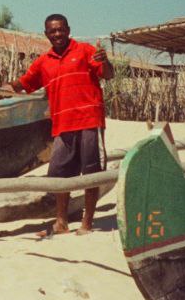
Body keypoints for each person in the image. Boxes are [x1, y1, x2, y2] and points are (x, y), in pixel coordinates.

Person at [7, 13, 114, 236]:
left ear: (68, 30)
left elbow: (108, 75)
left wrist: (105, 61)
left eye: (61, 29)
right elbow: (24, 83)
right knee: (58, 175)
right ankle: (61, 223)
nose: (57, 34)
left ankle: (87, 223)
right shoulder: (43, 62)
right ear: (46, 34)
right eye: (52, 31)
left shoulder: (85, 50)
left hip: (89, 120)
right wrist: (5, 88)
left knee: (91, 172)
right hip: (62, 125)